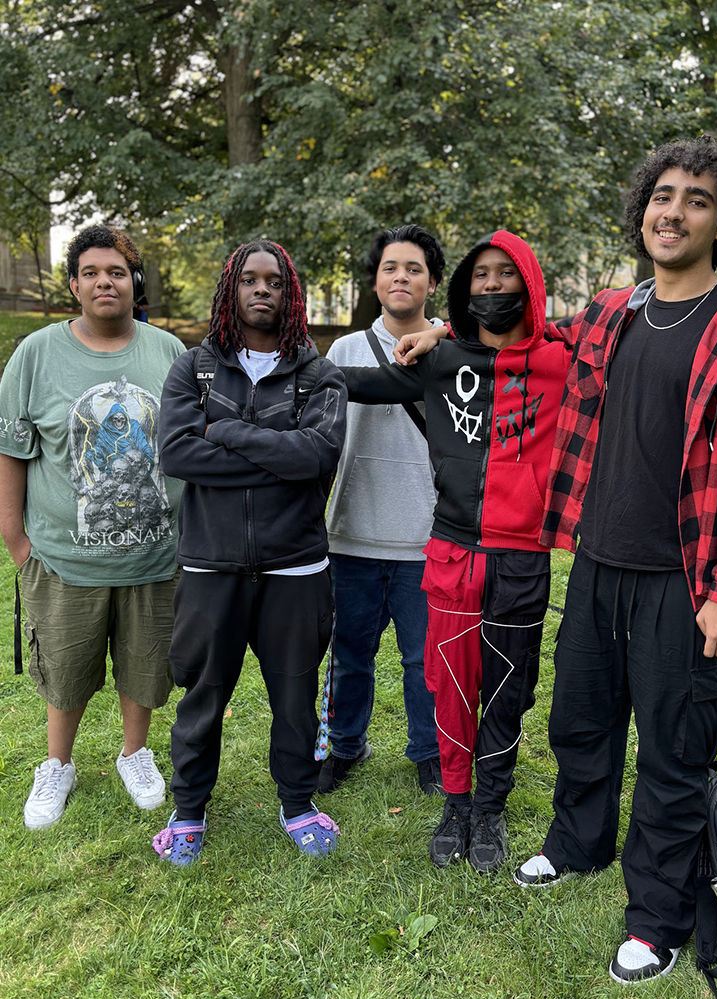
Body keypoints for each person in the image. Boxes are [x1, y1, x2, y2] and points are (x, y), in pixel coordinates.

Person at [510, 136, 717, 983]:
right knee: (580, 722)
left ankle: (657, 917)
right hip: (599, 563)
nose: (674, 212)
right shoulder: (614, 312)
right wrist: (436, 331)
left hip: (684, 579)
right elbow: (533, 332)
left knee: (673, 750)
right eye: (662, 196)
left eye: (697, 200)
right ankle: (578, 842)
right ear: (644, 212)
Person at [342, 231, 570, 872]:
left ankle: (490, 808)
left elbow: (622, 319)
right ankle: (456, 803)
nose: (492, 285)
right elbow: (361, 383)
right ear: (465, 288)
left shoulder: (563, 359)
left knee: (506, 690)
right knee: (450, 686)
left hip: (521, 555)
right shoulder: (440, 361)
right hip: (451, 553)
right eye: (481, 275)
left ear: (529, 282)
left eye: (506, 273)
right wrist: (280, 367)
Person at [153, 239, 347, 866]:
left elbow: (318, 455)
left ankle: (298, 803)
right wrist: (278, 457)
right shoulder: (194, 369)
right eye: (249, 280)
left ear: (292, 294)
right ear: (230, 289)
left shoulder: (319, 375)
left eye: (275, 282)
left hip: (296, 567)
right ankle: (188, 810)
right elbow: (178, 454)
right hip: (210, 565)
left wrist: (228, 432)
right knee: (202, 694)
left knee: (294, 696)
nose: (262, 289)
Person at [0, 225, 185, 829]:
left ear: (134, 282)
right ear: (75, 285)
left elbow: (190, 445)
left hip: (153, 555)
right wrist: (15, 538)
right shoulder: (36, 354)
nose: (105, 282)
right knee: (65, 668)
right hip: (63, 558)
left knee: (145, 662)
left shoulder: (169, 353)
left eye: (117, 272)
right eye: (91, 273)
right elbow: (13, 450)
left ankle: (135, 753)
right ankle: (57, 764)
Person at [319, 225, 445, 797]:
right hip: (352, 536)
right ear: (375, 281)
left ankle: (429, 753)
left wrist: (443, 334)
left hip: (428, 539)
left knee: (425, 662)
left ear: (432, 283)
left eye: (414, 268)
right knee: (349, 656)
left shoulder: (451, 352)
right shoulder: (343, 352)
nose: (401, 277)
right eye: (391, 267)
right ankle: (344, 745)